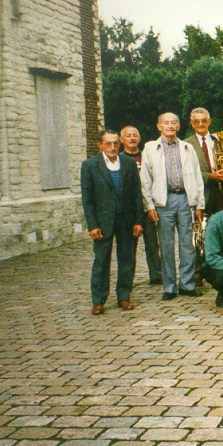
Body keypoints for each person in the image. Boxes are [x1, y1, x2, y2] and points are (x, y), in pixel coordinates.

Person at [139, 112, 205, 301]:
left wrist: (199, 204)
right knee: (166, 245)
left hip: (185, 199)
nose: (170, 125)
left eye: (173, 122)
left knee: (187, 245)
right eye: (165, 123)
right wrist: (150, 206)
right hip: (164, 201)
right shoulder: (151, 148)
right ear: (159, 126)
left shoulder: (187, 148)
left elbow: (198, 178)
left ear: (178, 126)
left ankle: (187, 285)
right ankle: (169, 287)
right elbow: (145, 180)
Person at [81, 130, 145, 315]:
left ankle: (124, 296)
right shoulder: (90, 166)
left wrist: (138, 221)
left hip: (126, 220)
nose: (112, 147)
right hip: (103, 222)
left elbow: (136, 195)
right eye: (107, 143)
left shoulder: (128, 164)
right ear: (100, 145)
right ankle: (99, 300)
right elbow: (88, 199)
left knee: (127, 259)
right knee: (101, 260)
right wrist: (92, 225)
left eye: (115, 143)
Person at [120, 125, 161, 285]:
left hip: (148, 204)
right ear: (122, 139)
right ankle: (128, 278)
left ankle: (156, 275)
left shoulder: (147, 156)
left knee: (152, 243)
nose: (132, 138)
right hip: (130, 209)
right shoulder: (120, 159)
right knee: (130, 245)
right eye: (128, 135)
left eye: (135, 135)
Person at [184, 107, 223, 216]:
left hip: (221, 192)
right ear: (192, 123)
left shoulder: (219, 140)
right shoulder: (186, 144)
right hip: (201, 194)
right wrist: (211, 176)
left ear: (209, 121)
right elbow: (187, 172)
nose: (201, 124)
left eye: (204, 120)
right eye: (196, 121)